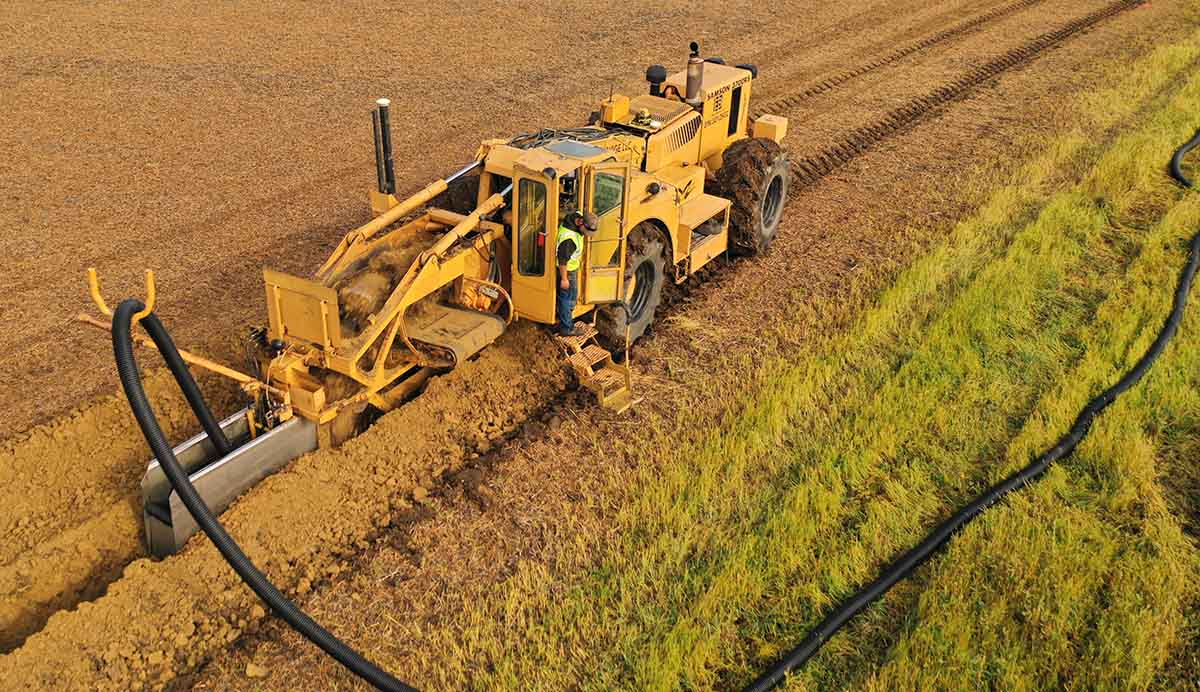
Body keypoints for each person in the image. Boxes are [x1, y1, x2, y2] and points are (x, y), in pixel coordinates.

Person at [556, 210, 598, 336]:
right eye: (586, 232)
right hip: (567, 271)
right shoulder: (569, 239)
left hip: (571, 270)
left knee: (569, 298)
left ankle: (564, 318)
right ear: (580, 222)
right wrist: (564, 279)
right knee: (567, 299)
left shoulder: (575, 216)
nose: (586, 235)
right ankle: (566, 328)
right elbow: (562, 260)